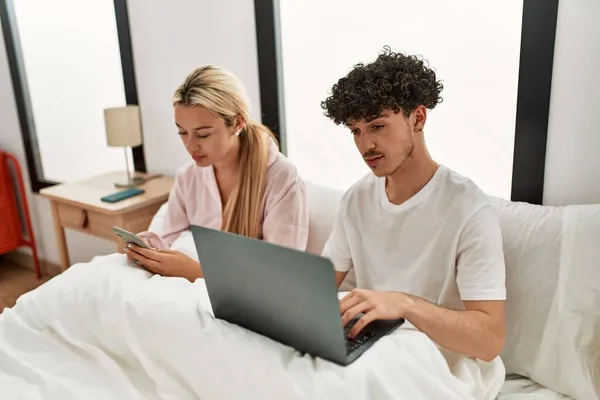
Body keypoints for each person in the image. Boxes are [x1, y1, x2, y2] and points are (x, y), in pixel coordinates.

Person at [320, 47, 507, 392]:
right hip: (375, 345)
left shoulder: (469, 209)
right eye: (356, 131)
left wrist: (403, 303)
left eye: (377, 126)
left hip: (443, 361)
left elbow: (489, 339)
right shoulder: (356, 199)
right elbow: (317, 288)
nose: (365, 145)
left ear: (418, 119)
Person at [125, 65, 309, 282]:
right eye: (182, 132)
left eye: (203, 134)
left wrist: (196, 272)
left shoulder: (281, 178)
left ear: (238, 123)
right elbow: (168, 238)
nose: (190, 146)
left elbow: (281, 275)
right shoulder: (188, 177)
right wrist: (146, 249)